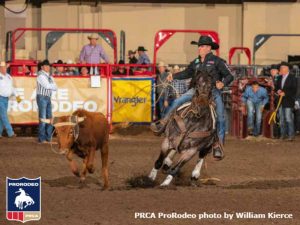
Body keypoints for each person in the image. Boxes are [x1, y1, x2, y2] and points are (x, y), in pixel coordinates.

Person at [150, 36, 234, 160]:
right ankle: (163, 123)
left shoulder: (217, 61)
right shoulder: (196, 62)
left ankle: (218, 145)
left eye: (202, 46)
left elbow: (229, 76)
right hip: (195, 91)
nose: (199, 48)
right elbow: (187, 73)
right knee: (177, 101)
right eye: (199, 46)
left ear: (209, 48)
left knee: (220, 117)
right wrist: (174, 75)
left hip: (212, 92)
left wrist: (223, 83)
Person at [36, 59, 57, 143]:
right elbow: (48, 86)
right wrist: (53, 86)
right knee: (44, 118)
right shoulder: (41, 76)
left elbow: (55, 86)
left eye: (48, 66)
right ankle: (42, 138)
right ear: (42, 67)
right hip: (42, 97)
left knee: (49, 118)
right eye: (46, 66)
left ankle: (48, 138)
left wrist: (52, 86)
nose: (48, 67)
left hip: (47, 97)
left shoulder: (49, 76)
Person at [275, 61, 297, 141]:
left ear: (287, 69)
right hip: (280, 102)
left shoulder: (293, 78)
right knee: (281, 119)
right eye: (281, 68)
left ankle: (291, 135)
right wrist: (278, 91)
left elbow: (294, 89)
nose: (281, 69)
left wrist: (285, 93)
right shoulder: (279, 78)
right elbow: (276, 87)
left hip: (288, 101)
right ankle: (283, 135)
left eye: (283, 68)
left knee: (288, 118)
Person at [0, 61, 21, 138]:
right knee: (4, 116)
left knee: (2, 117)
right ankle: (10, 132)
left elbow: (12, 88)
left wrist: (18, 98)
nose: (3, 69)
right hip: (0, 98)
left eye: (4, 67)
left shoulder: (9, 77)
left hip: (6, 99)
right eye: (2, 67)